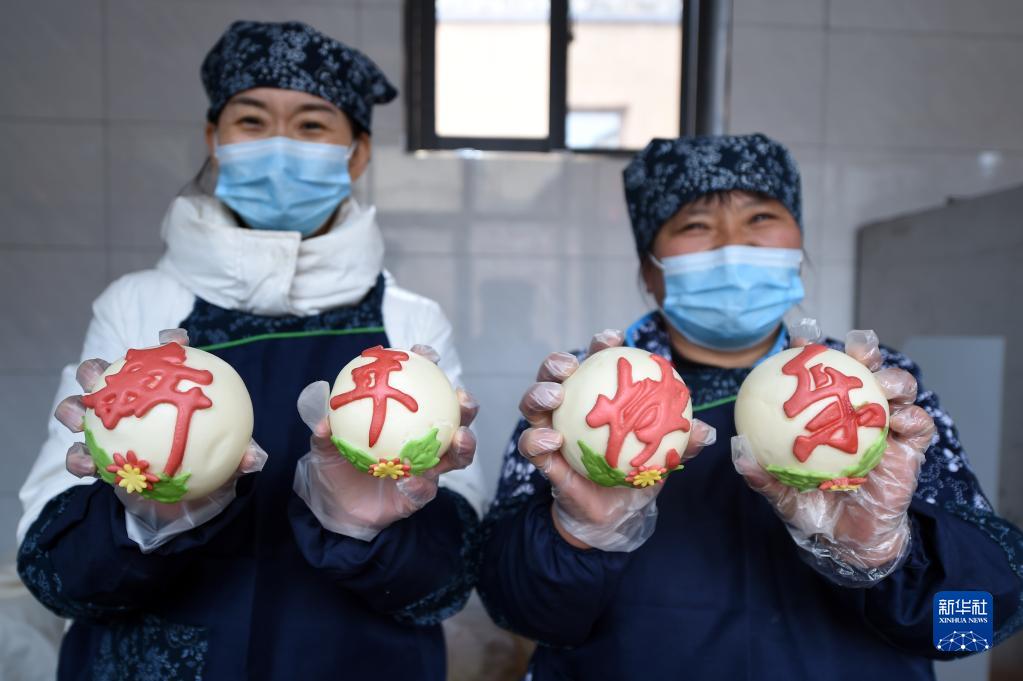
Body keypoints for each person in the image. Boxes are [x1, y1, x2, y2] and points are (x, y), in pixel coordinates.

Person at [16, 20, 485, 681]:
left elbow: (449, 578)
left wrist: (370, 528)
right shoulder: (140, 307)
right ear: (214, 139)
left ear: (357, 154)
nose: (279, 146)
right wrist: (143, 519)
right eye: (252, 121)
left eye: (312, 125)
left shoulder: (410, 324)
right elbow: (55, 571)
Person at [477, 133, 1023, 680]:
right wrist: (581, 536)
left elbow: (974, 627)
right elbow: (522, 614)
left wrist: (885, 554)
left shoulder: (875, 394)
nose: (733, 244)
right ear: (649, 268)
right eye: (695, 225)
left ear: (799, 247)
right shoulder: (580, 398)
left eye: (761, 217)